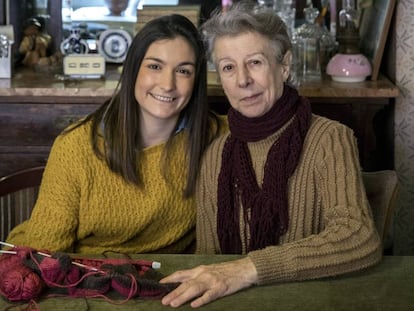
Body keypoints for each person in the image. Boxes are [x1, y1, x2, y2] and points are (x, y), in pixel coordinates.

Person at [160, 2, 382, 308]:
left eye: (255, 62)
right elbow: (212, 262)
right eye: (228, 67)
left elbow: (358, 236)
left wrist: (248, 269)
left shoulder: (330, 138)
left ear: (284, 65)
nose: (242, 80)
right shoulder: (215, 155)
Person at [6, 14, 224, 254]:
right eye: (154, 66)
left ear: (196, 80)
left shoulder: (212, 136)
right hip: (78, 276)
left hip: (163, 281)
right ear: (133, 71)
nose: (167, 84)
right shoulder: (76, 147)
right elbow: (43, 255)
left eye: (183, 71)